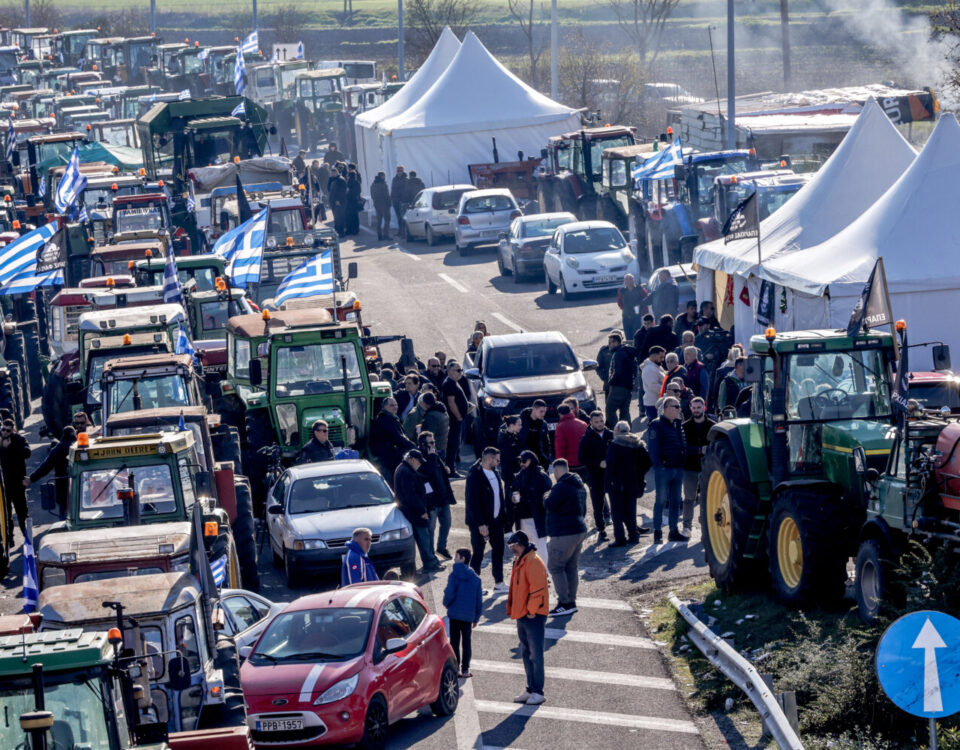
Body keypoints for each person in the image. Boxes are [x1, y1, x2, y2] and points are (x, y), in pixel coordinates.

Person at [506, 530, 548, 706]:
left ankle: (538, 691)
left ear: (520, 544)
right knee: (526, 652)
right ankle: (531, 689)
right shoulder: (521, 560)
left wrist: (531, 610)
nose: (511, 549)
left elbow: (538, 590)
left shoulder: (533, 562)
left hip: (532, 615)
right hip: (523, 613)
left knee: (535, 655)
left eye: (513, 545)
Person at [544, 458, 587, 616]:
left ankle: (564, 603)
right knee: (571, 567)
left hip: (563, 532)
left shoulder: (561, 486)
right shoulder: (579, 485)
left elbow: (549, 503)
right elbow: (584, 509)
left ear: (556, 471)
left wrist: (546, 495)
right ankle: (571, 601)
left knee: (556, 567)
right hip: (579, 529)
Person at [464, 447, 509, 593]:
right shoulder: (474, 475)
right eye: (497, 460)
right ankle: (474, 586)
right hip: (480, 524)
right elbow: (472, 502)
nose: (498, 462)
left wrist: (504, 520)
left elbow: (499, 497)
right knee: (478, 553)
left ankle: (499, 582)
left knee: (499, 551)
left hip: (496, 522)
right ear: (489, 459)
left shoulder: (495, 473)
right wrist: (480, 523)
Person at [605, 420, 653, 545]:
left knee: (617, 513)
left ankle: (620, 539)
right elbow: (648, 462)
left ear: (617, 430)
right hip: (633, 483)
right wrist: (639, 474)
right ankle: (633, 536)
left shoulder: (615, 445)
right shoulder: (638, 443)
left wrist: (607, 484)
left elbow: (610, 466)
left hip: (617, 484)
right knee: (631, 511)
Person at [394, 450, 443, 573]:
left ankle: (430, 561)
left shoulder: (404, 469)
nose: (420, 464)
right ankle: (430, 563)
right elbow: (410, 495)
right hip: (414, 513)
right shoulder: (406, 472)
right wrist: (422, 510)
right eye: (419, 462)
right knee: (423, 538)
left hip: (411, 511)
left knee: (423, 538)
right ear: (412, 460)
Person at [647, 396, 687, 544]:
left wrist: (682, 462)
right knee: (661, 501)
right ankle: (657, 532)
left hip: (678, 468)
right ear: (666, 408)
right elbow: (653, 449)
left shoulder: (677, 424)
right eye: (675, 406)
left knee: (676, 501)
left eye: (678, 406)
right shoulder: (656, 424)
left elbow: (682, 444)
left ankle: (673, 531)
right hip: (664, 470)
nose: (678, 409)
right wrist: (660, 465)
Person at [443, 548, 483, 678]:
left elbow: (449, 593)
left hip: (454, 614)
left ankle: (455, 669)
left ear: (463, 558)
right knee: (467, 643)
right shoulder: (476, 579)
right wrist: (476, 617)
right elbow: (478, 600)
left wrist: (446, 603)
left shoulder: (453, 575)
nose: (454, 559)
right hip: (468, 617)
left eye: (456, 556)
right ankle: (465, 669)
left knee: (454, 642)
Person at [418, 431, 455, 560]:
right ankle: (431, 555)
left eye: (434, 442)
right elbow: (427, 473)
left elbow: (443, 471)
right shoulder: (421, 457)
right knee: (431, 529)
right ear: (423, 444)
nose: (434, 445)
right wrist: (432, 457)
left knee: (446, 523)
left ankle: (441, 547)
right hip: (431, 501)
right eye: (431, 442)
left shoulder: (435, 455)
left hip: (443, 498)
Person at [27, 426, 76, 519]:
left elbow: (45, 468)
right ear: (74, 434)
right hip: (81, 489)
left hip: (63, 490)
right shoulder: (78, 448)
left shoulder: (57, 450)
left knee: (64, 515)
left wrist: (31, 478)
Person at [681, 397, 714, 538]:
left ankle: (705, 528)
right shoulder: (685, 426)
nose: (696, 410)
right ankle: (686, 527)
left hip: (708, 468)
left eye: (698, 407)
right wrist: (700, 450)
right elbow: (683, 447)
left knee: (707, 499)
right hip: (690, 467)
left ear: (704, 407)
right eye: (693, 408)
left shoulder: (713, 425)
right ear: (690, 408)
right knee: (689, 498)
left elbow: (717, 445)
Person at [578, 410, 613, 542]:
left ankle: (623, 528)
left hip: (612, 475)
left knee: (618, 502)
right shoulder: (586, 438)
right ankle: (601, 529)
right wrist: (598, 463)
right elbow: (582, 458)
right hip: (595, 476)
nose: (600, 424)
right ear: (591, 423)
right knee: (598, 505)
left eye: (601, 421)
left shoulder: (611, 434)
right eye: (597, 422)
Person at [511, 450, 550, 567]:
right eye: (520, 461)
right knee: (523, 550)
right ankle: (527, 573)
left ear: (531, 461)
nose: (521, 464)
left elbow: (549, 497)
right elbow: (511, 492)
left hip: (537, 519)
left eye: (524, 461)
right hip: (522, 520)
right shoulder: (519, 476)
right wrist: (512, 498)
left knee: (541, 549)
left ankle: (544, 574)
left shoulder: (542, 477)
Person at [370, 397, 416, 483]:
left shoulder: (390, 417)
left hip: (388, 456)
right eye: (391, 405)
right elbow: (398, 437)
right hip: (388, 457)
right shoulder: (387, 420)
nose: (395, 407)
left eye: (396, 405)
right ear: (384, 407)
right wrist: (413, 446)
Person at [0, 419, 30, 536]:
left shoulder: (19, 439)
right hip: (4, 484)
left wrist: (11, 447)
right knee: (6, 514)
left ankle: (27, 538)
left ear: (12, 430)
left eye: (8, 430)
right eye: (3, 429)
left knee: (22, 513)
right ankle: (9, 538)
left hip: (17, 483)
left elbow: (27, 453)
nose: (5, 432)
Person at [441, 360, 471, 475]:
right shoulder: (449, 383)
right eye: (457, 370)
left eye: (461, 370)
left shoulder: (454, 382)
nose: (460, 372)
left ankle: (452, 468)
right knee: (453, 445)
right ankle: (451, 469)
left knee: (455, 445)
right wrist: (459, 417)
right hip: (453, 421)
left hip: (457, 420)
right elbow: (451, 402)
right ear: (449, 371)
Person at [605, 333, 637, 427]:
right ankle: (626, 431)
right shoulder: (628, 352)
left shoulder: (618, 354)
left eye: (611, 342)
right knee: (624, 412)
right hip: (628, 386)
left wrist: (610, 382)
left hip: (618, 387)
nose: (609, 345)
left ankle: (616, 430)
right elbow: (635, 370)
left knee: (610, 410)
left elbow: (617, 372)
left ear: (616, 342)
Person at [554, 404, 587, 472]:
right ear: (570, 411)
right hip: (584, 462)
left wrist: (559, 465)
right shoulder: (583, 424)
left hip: (570, 465)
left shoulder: (560, 427)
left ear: (560, 414)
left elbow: (560, 447)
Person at [519, 400, 551, 467]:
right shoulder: (521, 422)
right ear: (534, 409)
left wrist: (547, 458)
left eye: (544, 412)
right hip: (525, 459)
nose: (543, 414)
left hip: (540, 459)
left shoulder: (543, 424)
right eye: (541, 411)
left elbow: (546, 443)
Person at [420, 391, 449, 459]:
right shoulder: (443, 411)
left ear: (425, 403)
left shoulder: (431, 416)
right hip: (443, 446)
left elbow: (429, 434)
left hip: (435, 449)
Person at [496, 415, 523, 490]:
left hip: (515, 470)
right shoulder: (503, 438)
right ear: (511, 425)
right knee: (510, 492)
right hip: (509, 472)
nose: (521, 427)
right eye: (519, 425)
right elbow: (506, 456)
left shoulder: (515, 436)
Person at [640, 346, 666, 423]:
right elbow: (653, 386)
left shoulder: (655, 366)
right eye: (661, 357)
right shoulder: (649, 369)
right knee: (654, 425)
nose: (663, 359)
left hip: (656, 401)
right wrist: (667, 392)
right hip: (653, 403)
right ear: (654, 355)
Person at [617, 273, 647, 340]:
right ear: (624, 281)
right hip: (626, 317)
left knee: (637, 335)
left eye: (630, 279)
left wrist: (641, 309)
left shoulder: (640, 289)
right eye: (626, 279)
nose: (628, 281)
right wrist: (625, 309)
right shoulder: (622, 291)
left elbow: (645, 300)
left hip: (637, 317)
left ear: (634, 280)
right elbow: (619, 302)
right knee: (628, 337)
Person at [595, 331, 621, 400]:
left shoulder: (626, 350)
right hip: (608, 385)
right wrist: (604, 378)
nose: (613, 342)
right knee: (609, 405)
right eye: (611, 340)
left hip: (622, 386)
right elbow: (598, 366)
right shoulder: (604, 350)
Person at [371, 171, 391, 241]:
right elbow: (386, 195)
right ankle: (386, 234)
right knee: (387, 219)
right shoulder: (383, 184)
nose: (384, 177)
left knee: (379, 221)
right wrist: (389, 203)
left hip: (377, 204)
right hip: (384, 204)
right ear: (381, 176)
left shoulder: (373, 184)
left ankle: (379, 235)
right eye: (383, 176)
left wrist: (375, 202)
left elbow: (372, 195)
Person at [327, 166, 347, 237]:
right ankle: (337, 232)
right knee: (336, 217)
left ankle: (341, 232)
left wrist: (338, 200)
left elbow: (342, 191)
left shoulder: (341, 180)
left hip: (340, 202)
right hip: (333, 202)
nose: (332, 174)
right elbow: (329, 189)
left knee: (340, 217)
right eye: (331, 173)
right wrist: (330, 179)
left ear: (336, 173)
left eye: (333, 173)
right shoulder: (332, 180)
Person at [345, 171, 362, 236]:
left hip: (348, 201)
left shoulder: (347, 183)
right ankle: (355, 230)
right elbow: (359, 191)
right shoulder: (357, 182)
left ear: (349, 176)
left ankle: (349, 230)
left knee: (348, 217)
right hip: (355, 201)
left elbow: (346, 192)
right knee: (355, 217)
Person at [391, 165, 408, 232]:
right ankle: (400, 231)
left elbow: (407, 190)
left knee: (402, 217)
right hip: (395, 201)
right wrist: (391, 199)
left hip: (403, 201)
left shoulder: (406, 179)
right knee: (398, 217)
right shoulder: (394, 179)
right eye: (398, 171)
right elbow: (392, 190)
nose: (399, 172)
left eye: (401, 171)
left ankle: (403, 231)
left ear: (403, 171)